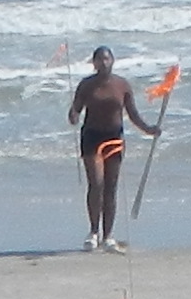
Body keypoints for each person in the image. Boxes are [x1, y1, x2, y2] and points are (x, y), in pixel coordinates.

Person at [70, 49, 163, 250]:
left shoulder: (122, 85)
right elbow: (76, 109)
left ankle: (108, 235)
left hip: (114, 137)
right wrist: (73, 115)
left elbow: (132, 114)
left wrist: (149, 130)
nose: (103, 63)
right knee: (96, 183)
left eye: (106, 59)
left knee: (111, 187)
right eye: (99, 59)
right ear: (93, 63)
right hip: (92, 137)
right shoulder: (86, 85)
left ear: (112, 61)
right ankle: (93, 231)